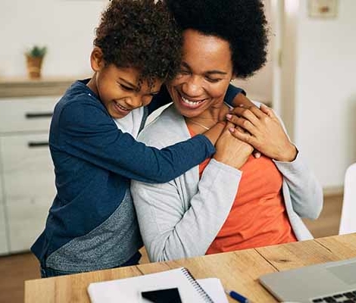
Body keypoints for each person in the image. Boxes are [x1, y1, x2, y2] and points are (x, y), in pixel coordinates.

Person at [31, 0, 248, 277]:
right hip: (76, 260)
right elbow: (156, 167)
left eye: (149, 93)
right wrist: (220, 129)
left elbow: (195, 86)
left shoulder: (139, 85)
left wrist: (242, 101)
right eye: (127, 87)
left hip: (124, 256)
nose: (135, 101)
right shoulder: (78, 113)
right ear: (98, 60)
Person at [131, 0, 323, 262]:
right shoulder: (154, 148)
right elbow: (166, 258)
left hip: (296, 264)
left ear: (235, 73)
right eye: (182, 70)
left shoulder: (259, 119)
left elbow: (312, 208)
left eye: (212, 78)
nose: (192, 89)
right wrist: (224, 166)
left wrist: (287, 153)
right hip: (229, 280)